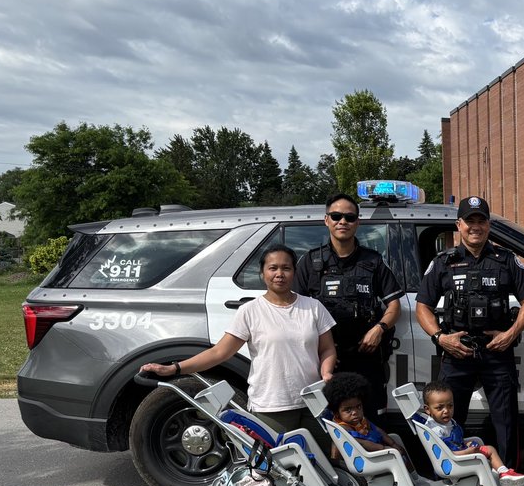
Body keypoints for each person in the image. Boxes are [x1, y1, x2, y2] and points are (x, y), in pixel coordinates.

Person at [141, 245, 335, 449]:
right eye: (273, 268)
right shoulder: (250, 311)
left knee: (321, 466)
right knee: (279, 469)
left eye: (286, 268)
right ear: (262, 273)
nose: (279, 274)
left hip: (313, 403)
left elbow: (327, 349)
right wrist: (174, 369)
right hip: (271, 406)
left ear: (294, 272)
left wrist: (326, 371)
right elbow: (219, 352)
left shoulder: (313, 307)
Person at [415, 195, 524, 468]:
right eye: (469, 221)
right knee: (447, 419)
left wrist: (511, 331)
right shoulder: (443, 262)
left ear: (488, 225)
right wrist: (440, 337)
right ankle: (453, 481)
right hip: (456, 350)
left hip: (497, 350)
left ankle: (508, 479)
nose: (475, 227)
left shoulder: (506, 260)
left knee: (506, 421)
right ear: (459, 225)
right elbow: (422, 305)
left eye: (481, 221)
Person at [293, 192, 403, 416]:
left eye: (350, 217)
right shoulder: (310, 263)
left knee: (368, 418)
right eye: (336, 216)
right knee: (328, 420)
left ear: (357, 222)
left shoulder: (373, 261)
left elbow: (394, 305)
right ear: (327, 220)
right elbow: (293, 309)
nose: (343, 221)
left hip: (365, 357)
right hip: (324, 359)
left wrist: (379, 329)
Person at [418, 380, 524, 486]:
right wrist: (468, 451)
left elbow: (454, 442)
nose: (446, 411)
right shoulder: (436, 430)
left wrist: (466, 443)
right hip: (451, 464)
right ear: (427, 410)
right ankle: (500, 481)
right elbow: (445, 453)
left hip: (457, 457)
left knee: (488, 453)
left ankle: (502, 476)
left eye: (450, 405)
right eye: (439, 407)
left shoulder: (448, 423)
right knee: (487, 454)